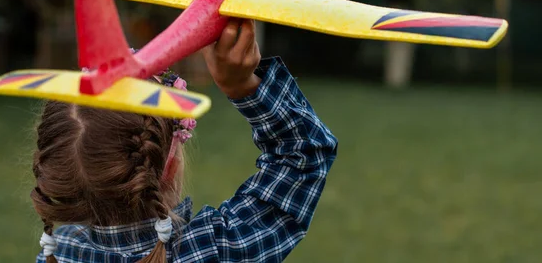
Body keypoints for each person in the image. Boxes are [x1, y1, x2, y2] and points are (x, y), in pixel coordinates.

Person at [32, 18, 338, 263]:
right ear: (169, 164)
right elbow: (303, 153)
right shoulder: (219, 250)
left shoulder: (60, 252)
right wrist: (243, 85)